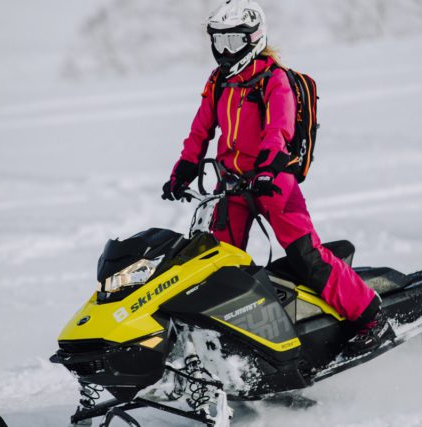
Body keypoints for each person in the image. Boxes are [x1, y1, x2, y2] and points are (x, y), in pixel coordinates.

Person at [162, 0, 391, 349]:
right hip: (231, 187)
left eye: (233, 42)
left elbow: (279, 130)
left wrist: (268, 168)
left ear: (254, 39)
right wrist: (184, 168)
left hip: (274, 183)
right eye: (219, 42)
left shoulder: (274, 80)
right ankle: (232, 339)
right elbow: (200, 130)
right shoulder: (218, 82)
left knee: (305, 256)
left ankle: (370, 316)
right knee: (216, 263)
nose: (225, 51)